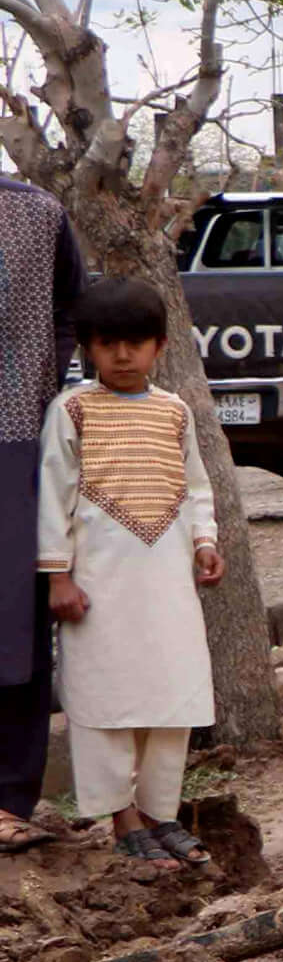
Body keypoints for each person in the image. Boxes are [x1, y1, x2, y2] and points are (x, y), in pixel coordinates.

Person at [38, 277, 221, 869]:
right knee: (107, 697)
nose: (123, 356)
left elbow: (196, 485)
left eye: (135, 343)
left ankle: (161, 813)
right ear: (88, 348)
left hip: (169, 581)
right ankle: (122, 818)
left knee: (173, 693)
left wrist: (205, 543)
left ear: (160, 347)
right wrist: (57, 577)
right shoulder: (71, 411)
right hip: (99, 584)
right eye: (108, 344)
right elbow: (53, 496)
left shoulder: (175, 412)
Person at [0, 174, 83, 854]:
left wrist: (41, 384)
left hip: (15, 442)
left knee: (16, 628)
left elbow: (68, 309)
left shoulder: (35, 212)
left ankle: (8, 797)